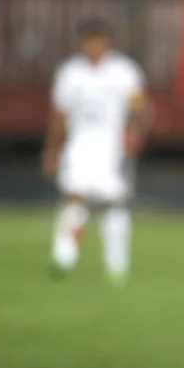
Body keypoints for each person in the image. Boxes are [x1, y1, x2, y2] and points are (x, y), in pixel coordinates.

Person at [42, 18, 149, 284]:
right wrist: (52, 150)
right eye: (88, 40)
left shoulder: (123, 73)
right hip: (78, 147)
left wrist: (134, 134)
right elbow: (59, 115)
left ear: (107, 42)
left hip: (112, 149)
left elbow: (141, 109)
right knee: (74, 199)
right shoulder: (70, 74)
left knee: (113, 205)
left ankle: (117, 267)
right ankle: (64, 258)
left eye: (98, 40)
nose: (93, 46)